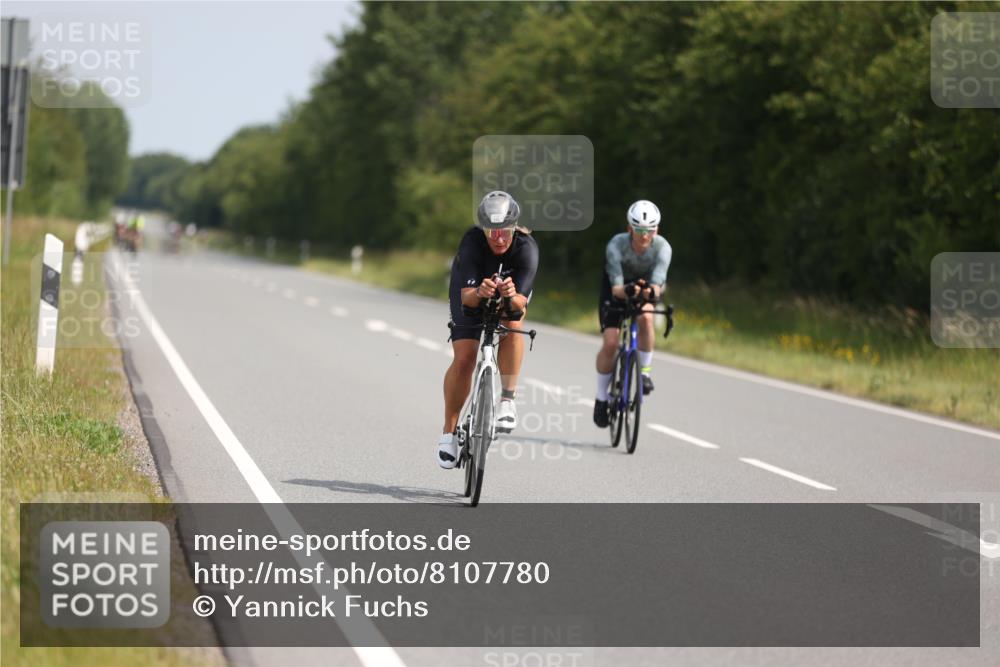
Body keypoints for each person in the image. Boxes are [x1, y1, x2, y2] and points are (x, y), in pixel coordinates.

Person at [437, 191, 539, 468]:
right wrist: (481, 291)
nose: (498, 237)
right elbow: (468, 298)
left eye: (504, 230)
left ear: (514, 226)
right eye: (491, 230)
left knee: (513, 322)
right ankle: (449, 433)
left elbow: (519, 306)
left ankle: (507, 399)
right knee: (465, 357)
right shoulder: (471, 242)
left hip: (509, 300)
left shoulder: (526, 248)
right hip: (471, 293)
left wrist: (509, 294)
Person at [593, 200, 672, 428]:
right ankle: (601, 397)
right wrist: (628, 290)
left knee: (646, 317)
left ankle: (644, 372)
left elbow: (657, 286)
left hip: (646, 287)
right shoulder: (615, 246)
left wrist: (648, 290)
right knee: (610, 343)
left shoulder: (663, 248)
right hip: (616, 288)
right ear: (629, 229)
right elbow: (617, 288)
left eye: (649, 230)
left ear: (656, 230)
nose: (644, 236)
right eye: (639, 230)